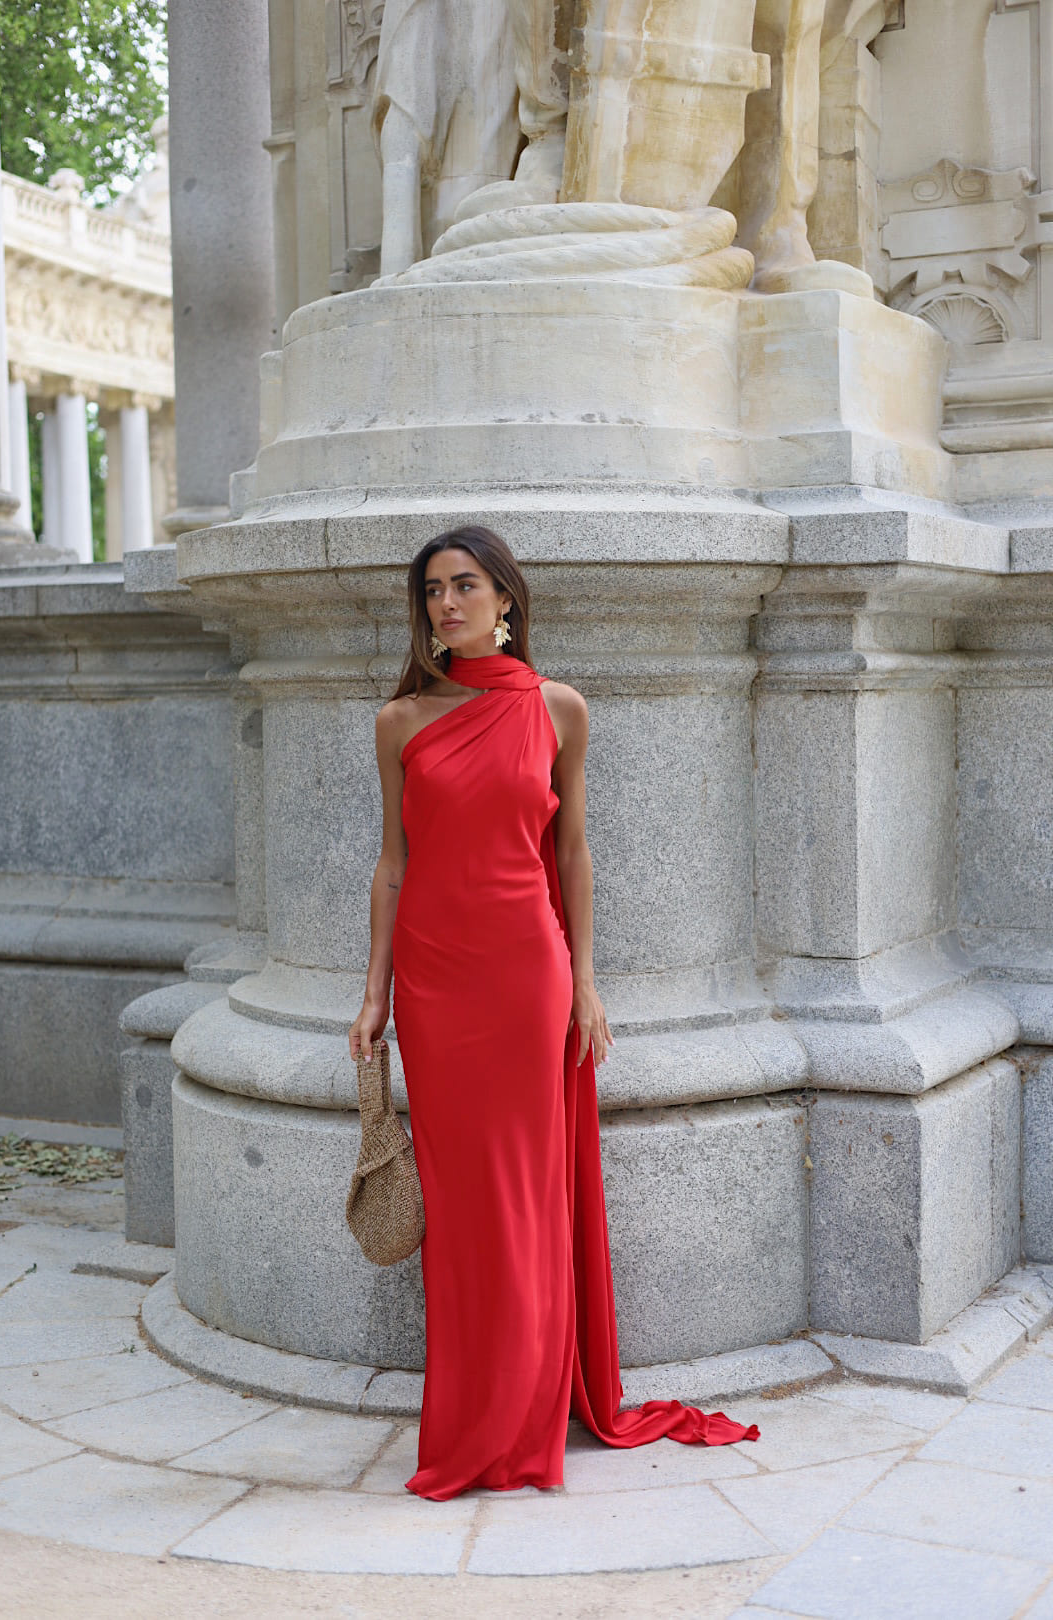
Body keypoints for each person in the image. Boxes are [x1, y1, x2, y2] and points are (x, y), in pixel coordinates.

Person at [349, 525, 759, 1501]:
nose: (447, 605)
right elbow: (392, 866)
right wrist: (374, 996)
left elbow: (572, 852)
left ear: (507, 601)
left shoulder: (560, 711)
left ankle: (526, 1419)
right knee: (462, 1206)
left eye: (465, 586)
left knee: (528, 1196)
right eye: (433, 592)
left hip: (528, 976)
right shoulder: (400, 720)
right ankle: (471, 1417)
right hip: (436, 984)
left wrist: (584, 980)